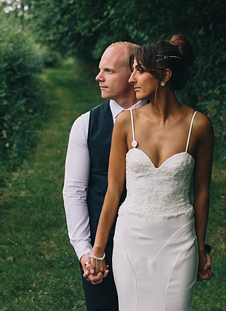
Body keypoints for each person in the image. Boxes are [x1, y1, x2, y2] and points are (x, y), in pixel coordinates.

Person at [89, 35, 214, 310]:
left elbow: (202, 191)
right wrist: (97, 250)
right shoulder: (125, 122)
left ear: (165, 76)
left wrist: (202, 247)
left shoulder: (199, 125)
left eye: (140, 71)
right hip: (130, 240)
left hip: (179, 240)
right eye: (132, 70)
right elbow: (113, 190)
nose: (132, 78)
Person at [63, 41, 147, 311]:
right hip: (102, 247)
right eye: (100, 69)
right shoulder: (85, 125)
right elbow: (74, 191)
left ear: (132, 74)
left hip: (150, 242)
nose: (98, 77)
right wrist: (84, 251)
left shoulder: (163, 122)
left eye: (108, 71)